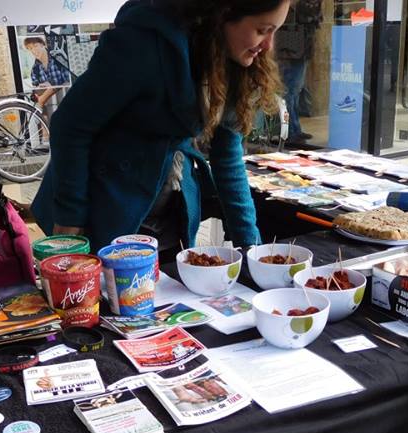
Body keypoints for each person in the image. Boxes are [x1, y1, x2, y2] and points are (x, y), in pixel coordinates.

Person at [31, 0, 289, 253]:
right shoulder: (142, 45)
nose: (268, 46)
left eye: (274, 32)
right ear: (224, 14)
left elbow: (228, 157)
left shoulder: (237, 63)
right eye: (262, 30)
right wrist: (70, 221)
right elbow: (70, 125)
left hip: (171, 209)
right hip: (101, 207)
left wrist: (250, 246)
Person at [275, 0, 322, 144]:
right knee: (289, 91)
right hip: (292, 49)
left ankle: (294, 129)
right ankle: (290, 131)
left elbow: (315, 18)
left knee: (294, 90)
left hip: (299, 49)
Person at [23, 36, 71, 110]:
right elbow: (36, 92)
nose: (33, 51)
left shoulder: (58, 58)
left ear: (43, 44)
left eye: (35, 46)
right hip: (50, 108)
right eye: (30, 48)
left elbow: (70, 80)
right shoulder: (35, 70)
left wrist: (51, 85)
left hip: (67, 102)